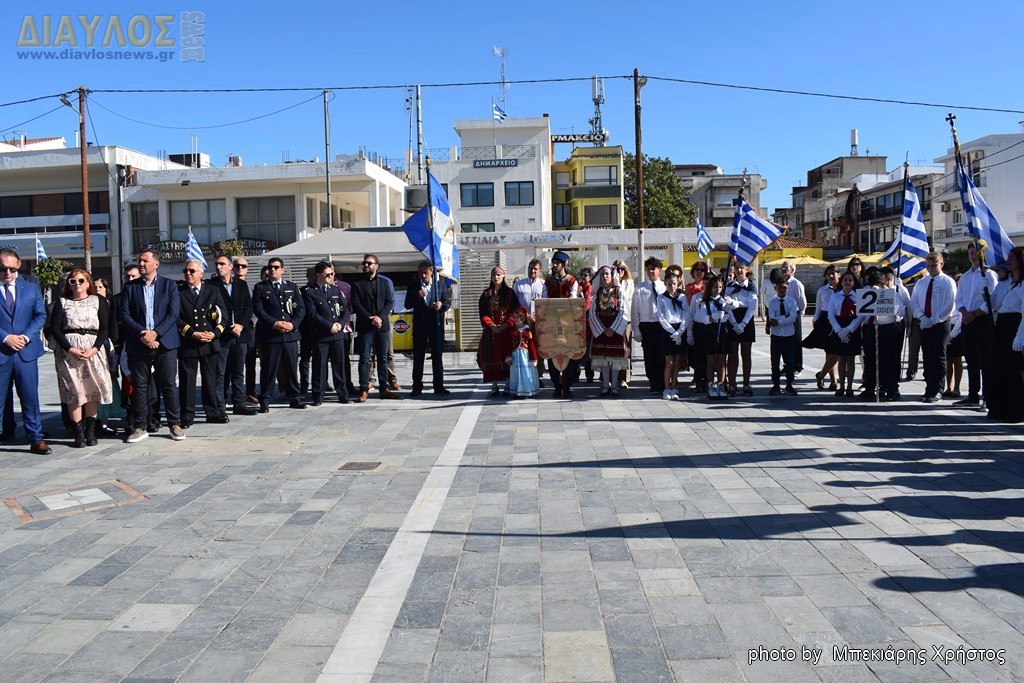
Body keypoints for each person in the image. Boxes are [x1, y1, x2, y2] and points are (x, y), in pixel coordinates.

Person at [120, 249, 185, 443]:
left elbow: (173, 314)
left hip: (165, 342)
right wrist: (143, 334)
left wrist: (155, 333)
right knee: (140, 386)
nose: (141, 264)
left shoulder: (169, 285)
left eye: (145, 261)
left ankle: (174, 423)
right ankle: (140, 426)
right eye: (139, 260)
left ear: (156, 264)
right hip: (138, 343)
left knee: (169, 385)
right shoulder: (130, 287)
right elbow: (125, 315)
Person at [47, 269, 114, 448]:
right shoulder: (62, 303)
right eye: (73, 281)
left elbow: (105, 328)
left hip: (93, 350)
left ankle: (90, 431)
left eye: (81, 281)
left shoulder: (97, 301)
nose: (77, 284)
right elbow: (55, 329)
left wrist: (95, 348)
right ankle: (78, 432)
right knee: (74, 392)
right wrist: (70, 349)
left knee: (91, 390)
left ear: (88, 283)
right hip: (69, 353)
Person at [0, 249, 50, 455]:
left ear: (19, 265)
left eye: (12, 268)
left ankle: (36, 438)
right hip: (2, 351)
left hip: (25, 352)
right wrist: (5, 337)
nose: (8, 273)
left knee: (30, 397)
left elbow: (40, 315)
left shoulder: (30, 288)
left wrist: (25, 337)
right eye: (3, 269)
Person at [253, 256, 307, 412]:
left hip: (290, 334)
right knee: (269, 369)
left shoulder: (292, 286)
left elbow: (300, 309)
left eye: (276, 267)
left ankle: (294, 398)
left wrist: (293, 324)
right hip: (272, 335)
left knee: (291, 368)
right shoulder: (261, 287)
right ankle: (265, 399)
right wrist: (275, 323)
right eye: (270, 267)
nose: (273, 270)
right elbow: (259, 309)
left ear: (282, 270)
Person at [177, 259, 225, 427]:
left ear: (201, 273)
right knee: (187, 381)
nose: (188, 274)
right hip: (189, 342)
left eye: (191, 271)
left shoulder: (212, 291)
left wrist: (215, 333)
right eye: (186, 271)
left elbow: (222, 315)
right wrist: (192, 333)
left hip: (209, 342)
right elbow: (176, 318)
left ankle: (212, 412)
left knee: (210, 379)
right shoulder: (179, 292)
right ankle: (187, 416)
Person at [953, 243, 999, 409]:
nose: (973, 256)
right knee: (971, 359)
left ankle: (988, 394)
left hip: (982, 320)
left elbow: (992, 300)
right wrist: (965, 312)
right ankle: (973, 394)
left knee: (985, 360)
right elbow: (959, 299)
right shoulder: (965, 277)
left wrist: (975, 314)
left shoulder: (989, 275)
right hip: (967, 320)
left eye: (976, 253)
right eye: (971, 253)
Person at [210, 256, 256, 417]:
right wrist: (225, 326)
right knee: (220, 372)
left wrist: (240, 325)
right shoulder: (211, 285)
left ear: (230, 267)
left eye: (222, 264)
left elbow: (248, 308)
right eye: (217, 264)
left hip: (239, 335)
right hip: (221, 336)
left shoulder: (241, 285)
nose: (218, 267)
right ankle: (220, 405)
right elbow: (212, 311)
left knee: (238, 371)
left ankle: (240, 403)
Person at [910, 252, 957, 403]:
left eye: (934, 265)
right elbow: (914, 302)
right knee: (927, 356)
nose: (931, 269)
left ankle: (938, 389)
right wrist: (922, 317)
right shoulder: (921, 283)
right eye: (928, 266)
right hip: (924, 323)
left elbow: (949, 304)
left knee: (939, 356)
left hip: (940, 323)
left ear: (941, 265)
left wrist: (934, 319)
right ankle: (929, 388)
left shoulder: (947, 282)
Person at [351, 253, 399, 401]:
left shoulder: (384, 282)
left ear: (376, 266)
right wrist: (371, 318)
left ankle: (384, 388)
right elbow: (356, 303)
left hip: (382, 325)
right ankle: (364, 389)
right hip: (366, 326)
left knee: (383, 358)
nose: (366, 265)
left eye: (369, 263)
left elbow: (389, 302)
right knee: (365, 358)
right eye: (364, 263)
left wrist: (380, 317)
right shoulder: (357, 283)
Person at [302, 260, 351, 405]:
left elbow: (345, 309)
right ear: (318, 275)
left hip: (337, 334)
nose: (331, 277)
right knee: (319, 366)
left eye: (332, 274)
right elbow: (312, 314)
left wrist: (340, 324)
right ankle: (318, 395)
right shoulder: (310, 292)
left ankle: (342, 393)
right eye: (328, 274)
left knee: (339, 365)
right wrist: (329, 325)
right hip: (321, 335)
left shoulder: (335, 290)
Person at [987, 246, 1024, 423]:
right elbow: (995, 303)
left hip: (1014, 327)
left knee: (1013, 371)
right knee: (999, 368)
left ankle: (1015, 410)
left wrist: (1020, 336)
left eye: (1012, 258)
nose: (1008, 261)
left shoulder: (1023, 285)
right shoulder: (1007, 282)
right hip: (1002, 326)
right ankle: (999, 407)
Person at [404, 261, 451, 397]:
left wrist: (441, 306)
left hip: (435, 325)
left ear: (431, 272)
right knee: (418, 357)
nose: (423, 275)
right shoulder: (414, 286)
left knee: (437, 357)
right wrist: (417, 296)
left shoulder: (440, 285)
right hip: (420, 325)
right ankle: (417, 387)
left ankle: (439, 386)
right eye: (421, 273)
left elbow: (447, 302)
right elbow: (407, 305)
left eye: (426, 272)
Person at [538, 251, 581, 398]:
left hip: (568, 325)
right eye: (553, 263)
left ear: (564, 264)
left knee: (568, 355)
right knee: (552, 354)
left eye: (557, 263)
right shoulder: (548, 282)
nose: (554, 265)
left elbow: (573, 300)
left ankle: (567, 386)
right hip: (552, 325)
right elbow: (543, 300)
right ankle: (556, 385)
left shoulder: (572, 281)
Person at [588, 265, 629, 397]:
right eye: (602, 274)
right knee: (604, 358)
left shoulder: (619, 291)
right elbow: (593, 313)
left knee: (615, 357)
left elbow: (623, 311)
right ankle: (606, 386)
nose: (604, 277)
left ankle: (615, 386)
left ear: (612, 276)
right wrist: (601, 329)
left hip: (615, 327)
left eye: (607, 274)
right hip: (601, 328)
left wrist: (613, 329)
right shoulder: (597, 293)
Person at [691, 274, 733, 399]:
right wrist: (713, 316)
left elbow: (730, 312)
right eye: (715, 287)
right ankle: (711, 385)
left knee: (721, 361)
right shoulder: (705, 302)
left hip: (722, 332)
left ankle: (721, 384)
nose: (718, 290)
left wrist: (729, 304)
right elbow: (704, 318)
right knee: (710, 361)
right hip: (709, 332)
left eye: (720, 287)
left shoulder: (723, 300)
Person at [478, 266, 516, 396]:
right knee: (490, 357)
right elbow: (483, 313)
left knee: (507, 357)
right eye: (494, 275)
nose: (496, 277)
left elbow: (514, 311)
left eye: (498, 274)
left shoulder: (510, 293)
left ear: (503, 276)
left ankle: (507, 384)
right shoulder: (486, 294)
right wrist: (492, 325)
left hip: (506, 331)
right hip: (491, 332)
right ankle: (494, 386)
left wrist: (506, 325)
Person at [632, 257, 667, 395]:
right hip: (646, 325)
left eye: (654, 268)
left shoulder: (664, 287)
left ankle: (662, 382)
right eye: (649, 269)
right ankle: (653, 382)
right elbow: (635, 310)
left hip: (661, 324)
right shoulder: (640, 288)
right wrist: (637, 330)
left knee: (661, 355)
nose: (651, 271)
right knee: (649, 355)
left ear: (659, 271)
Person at [805, 265, 840, 391]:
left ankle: (821, 375)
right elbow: (819, 307)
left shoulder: (844, 289)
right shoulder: (822, 290)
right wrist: (815, 320)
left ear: (838, 274)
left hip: (840, 319)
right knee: (829, 351)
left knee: (837, 351)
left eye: (833, 273)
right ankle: (833, 381)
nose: (831, 276)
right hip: (825, 320)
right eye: (828, 274)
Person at [827, 271, 862, 397]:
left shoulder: (858, 296)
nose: (847, 282)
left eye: (850, 280)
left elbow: (860, 316)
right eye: (845, 280)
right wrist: (839, 330)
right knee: (841, 358)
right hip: (839, 325)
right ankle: (841, 386)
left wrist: (849, 329)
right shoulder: (835, 296)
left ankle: (850, 387)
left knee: (851, 359)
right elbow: (830, 314)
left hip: (852, 326)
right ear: (841, 282)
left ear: (854, 283)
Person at [513, 258, 547, 386]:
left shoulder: (544, 285)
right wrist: (525, 315)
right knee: (523, 349)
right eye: (530, 268)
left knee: (538, 349)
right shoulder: (519, 284)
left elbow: (547, 303)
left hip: (539, 323)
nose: (532, 271)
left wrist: (539, 316)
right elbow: (514, 303)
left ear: (540, 271)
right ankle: (524, 377)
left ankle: (538, 376)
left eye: (535, 269)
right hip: (522, 323)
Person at [657, 267, 688, 401]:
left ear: (678, 283)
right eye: (669, 284)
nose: (672, 286)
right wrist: (672, 332)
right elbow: (661, 317)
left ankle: (674, 386)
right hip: (668, 330)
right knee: (668, 362)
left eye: (674, 284)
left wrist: (680, 331)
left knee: (676, 362)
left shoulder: (682, 297)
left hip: (680, 330)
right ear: (665, 284)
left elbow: (686, 314)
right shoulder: (661, 298)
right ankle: (666, 387)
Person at [767, 278, 799, 396]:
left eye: (784, 287)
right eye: (779, 287)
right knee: (775, 362)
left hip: (789, 335)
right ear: (775, 288)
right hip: (776, 336)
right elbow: (772, 318)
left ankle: (789, 384)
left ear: (788, 288)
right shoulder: (772, 302)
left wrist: (780, 321)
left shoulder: (792, 301)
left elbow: (792, 318)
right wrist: (784, 319)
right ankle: (776, 384)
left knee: (790, 362)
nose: (781, 290)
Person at [684, 261, 708, 390]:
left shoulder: (710, 287)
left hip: (707, 324)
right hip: (693, 321)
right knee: (694, 354)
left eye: (702, 270)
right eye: (697, 269)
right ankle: (697, 376)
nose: (699, 272)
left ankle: (705, 378)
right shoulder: (689, 287)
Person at [780, 260, 807, 374]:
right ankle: (787, 365)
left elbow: (802, 301)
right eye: (782, 268)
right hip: (783, 314)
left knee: (795, 341)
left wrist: (799, 312)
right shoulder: (780, 283)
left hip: (794, 314)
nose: (783, 270)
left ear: (792, 270)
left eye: (786, 268)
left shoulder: (796, 284)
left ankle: (797, 366)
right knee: (784, 341)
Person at [612, 260, 635, 389]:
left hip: (626, 319)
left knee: (625, 348)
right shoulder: (610, 282)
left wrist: (618, 285)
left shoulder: (629, 283)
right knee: (613, 348)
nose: (620, 272)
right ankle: (611, 377)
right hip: (612, 318)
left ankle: (624, 377)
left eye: (622, 269)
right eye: (617, 269)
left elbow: (625, 298)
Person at [507, 307, 539, 398]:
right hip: (515, 356)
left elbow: (532, 345)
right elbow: (508, 345)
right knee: (516, 373)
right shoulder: (511, 330)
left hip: (525, 356)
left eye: (517, 317)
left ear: (523, 318)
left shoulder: (527, 330)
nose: (515, 319)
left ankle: (526, 391)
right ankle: (517, 390)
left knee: (526, 372)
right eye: (514, 317)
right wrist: (508, 356)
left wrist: (534, 358)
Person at [298, 266, 318, 396]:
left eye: (315, 275)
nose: (313, 278)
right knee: (305, 359)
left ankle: (321, 382)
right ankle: (304, 384)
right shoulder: (301, 291)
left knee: (319, 359)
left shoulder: (321, 290)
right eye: (311, 275)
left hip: (319, 330)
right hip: (305, 330)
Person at [578, 266, 595, 383]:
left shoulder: (593, 289)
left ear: (590, 277)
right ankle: (575, 374)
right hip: (578, 324)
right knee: (577, 351)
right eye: (582, 275)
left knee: (589, 351)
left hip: (589, 325)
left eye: (586, 275)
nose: (583, 277)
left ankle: (590, 375)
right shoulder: (577, 288)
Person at [944, 307, 964, 399]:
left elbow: (961, 316)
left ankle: (957, 388)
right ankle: (948, 387)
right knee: (948, 359)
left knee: (957, 359)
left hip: (956, 327)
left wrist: (953, 333)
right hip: (946, 323)